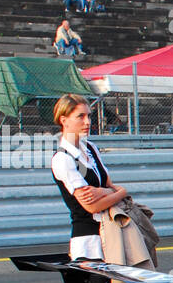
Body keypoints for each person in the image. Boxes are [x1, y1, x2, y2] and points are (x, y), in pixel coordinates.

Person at [51, 93, 127, 261]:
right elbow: (92, 206)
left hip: (110, 232)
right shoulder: (63, 158)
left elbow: (109, 185)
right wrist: (120, 193)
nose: (87, 122)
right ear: (64, 120)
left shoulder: (91, 148)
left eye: (89, 116)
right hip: (88, 241)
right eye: (80, 116)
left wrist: (102, 191)